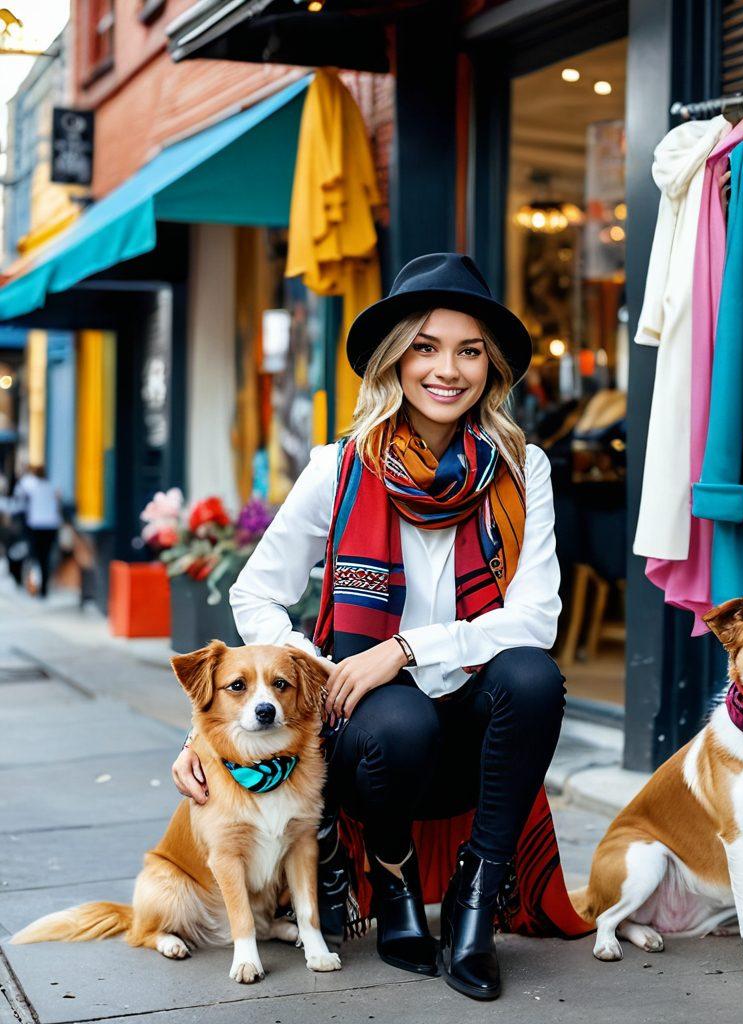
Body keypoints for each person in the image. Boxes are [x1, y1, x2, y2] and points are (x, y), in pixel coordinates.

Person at [171, 253, 588, 1000]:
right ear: (395, 360)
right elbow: (257, 594)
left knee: (533, 676)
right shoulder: (339, 468)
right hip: (375, 737)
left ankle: (473, 898)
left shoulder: (524, 470)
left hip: (473, 721)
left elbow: (536, 618)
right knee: (399, 723)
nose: (447, 370)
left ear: (489, 367)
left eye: (468, 350)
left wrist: (404, 649)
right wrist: (311, 672)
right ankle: (395, 884)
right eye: (426, 347)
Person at [13, 466, 62, 597]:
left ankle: (33, 586)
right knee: (45, 559)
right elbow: (58, 503)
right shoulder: (52, 486)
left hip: (36, 526)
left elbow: (18, 494)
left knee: (34, 557)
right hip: (51, 526)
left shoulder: (30, 486)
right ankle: (43, 589)